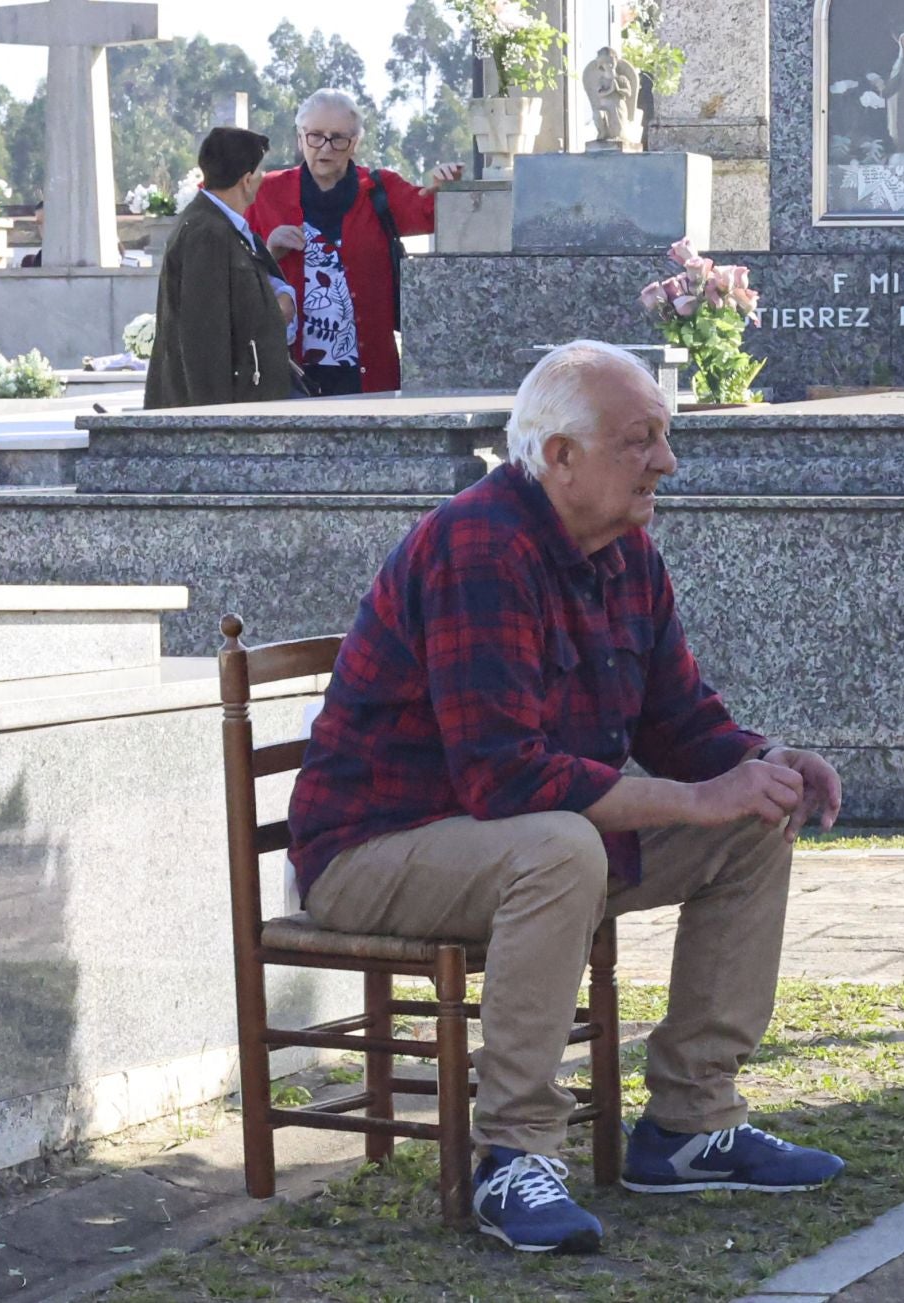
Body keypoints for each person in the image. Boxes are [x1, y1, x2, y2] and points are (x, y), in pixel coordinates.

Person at [286, 341, 847, 1254]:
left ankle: (689, 1125)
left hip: (514, 842)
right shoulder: (479, 545)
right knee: (560, 846)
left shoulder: (629, 554)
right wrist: (692, 800)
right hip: (374, 848)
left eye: (663, 438)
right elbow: (504, 778)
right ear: (560, 457)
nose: (666, 461)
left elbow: (683, 721)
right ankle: (513, 1155)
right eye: (641, 441)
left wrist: (765, 762)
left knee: (751, 823)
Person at [247, 88, 463, 397]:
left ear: (355, 143)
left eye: (338, 138)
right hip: (291, 371)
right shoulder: (266, 193)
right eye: (315, 136)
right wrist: (270, 251)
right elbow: (234, 263)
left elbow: (430, 210)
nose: (326, 147)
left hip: (368, 369)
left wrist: (448, 187)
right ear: (300, 138)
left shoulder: (378, 189)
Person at [144, 127, 298, 410]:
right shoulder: (208, 232)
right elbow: (204, 334)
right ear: (247, 180)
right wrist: (213, 422)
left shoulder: (223, 227)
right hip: (222, 412)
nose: (264, 177)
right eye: (261, 171)